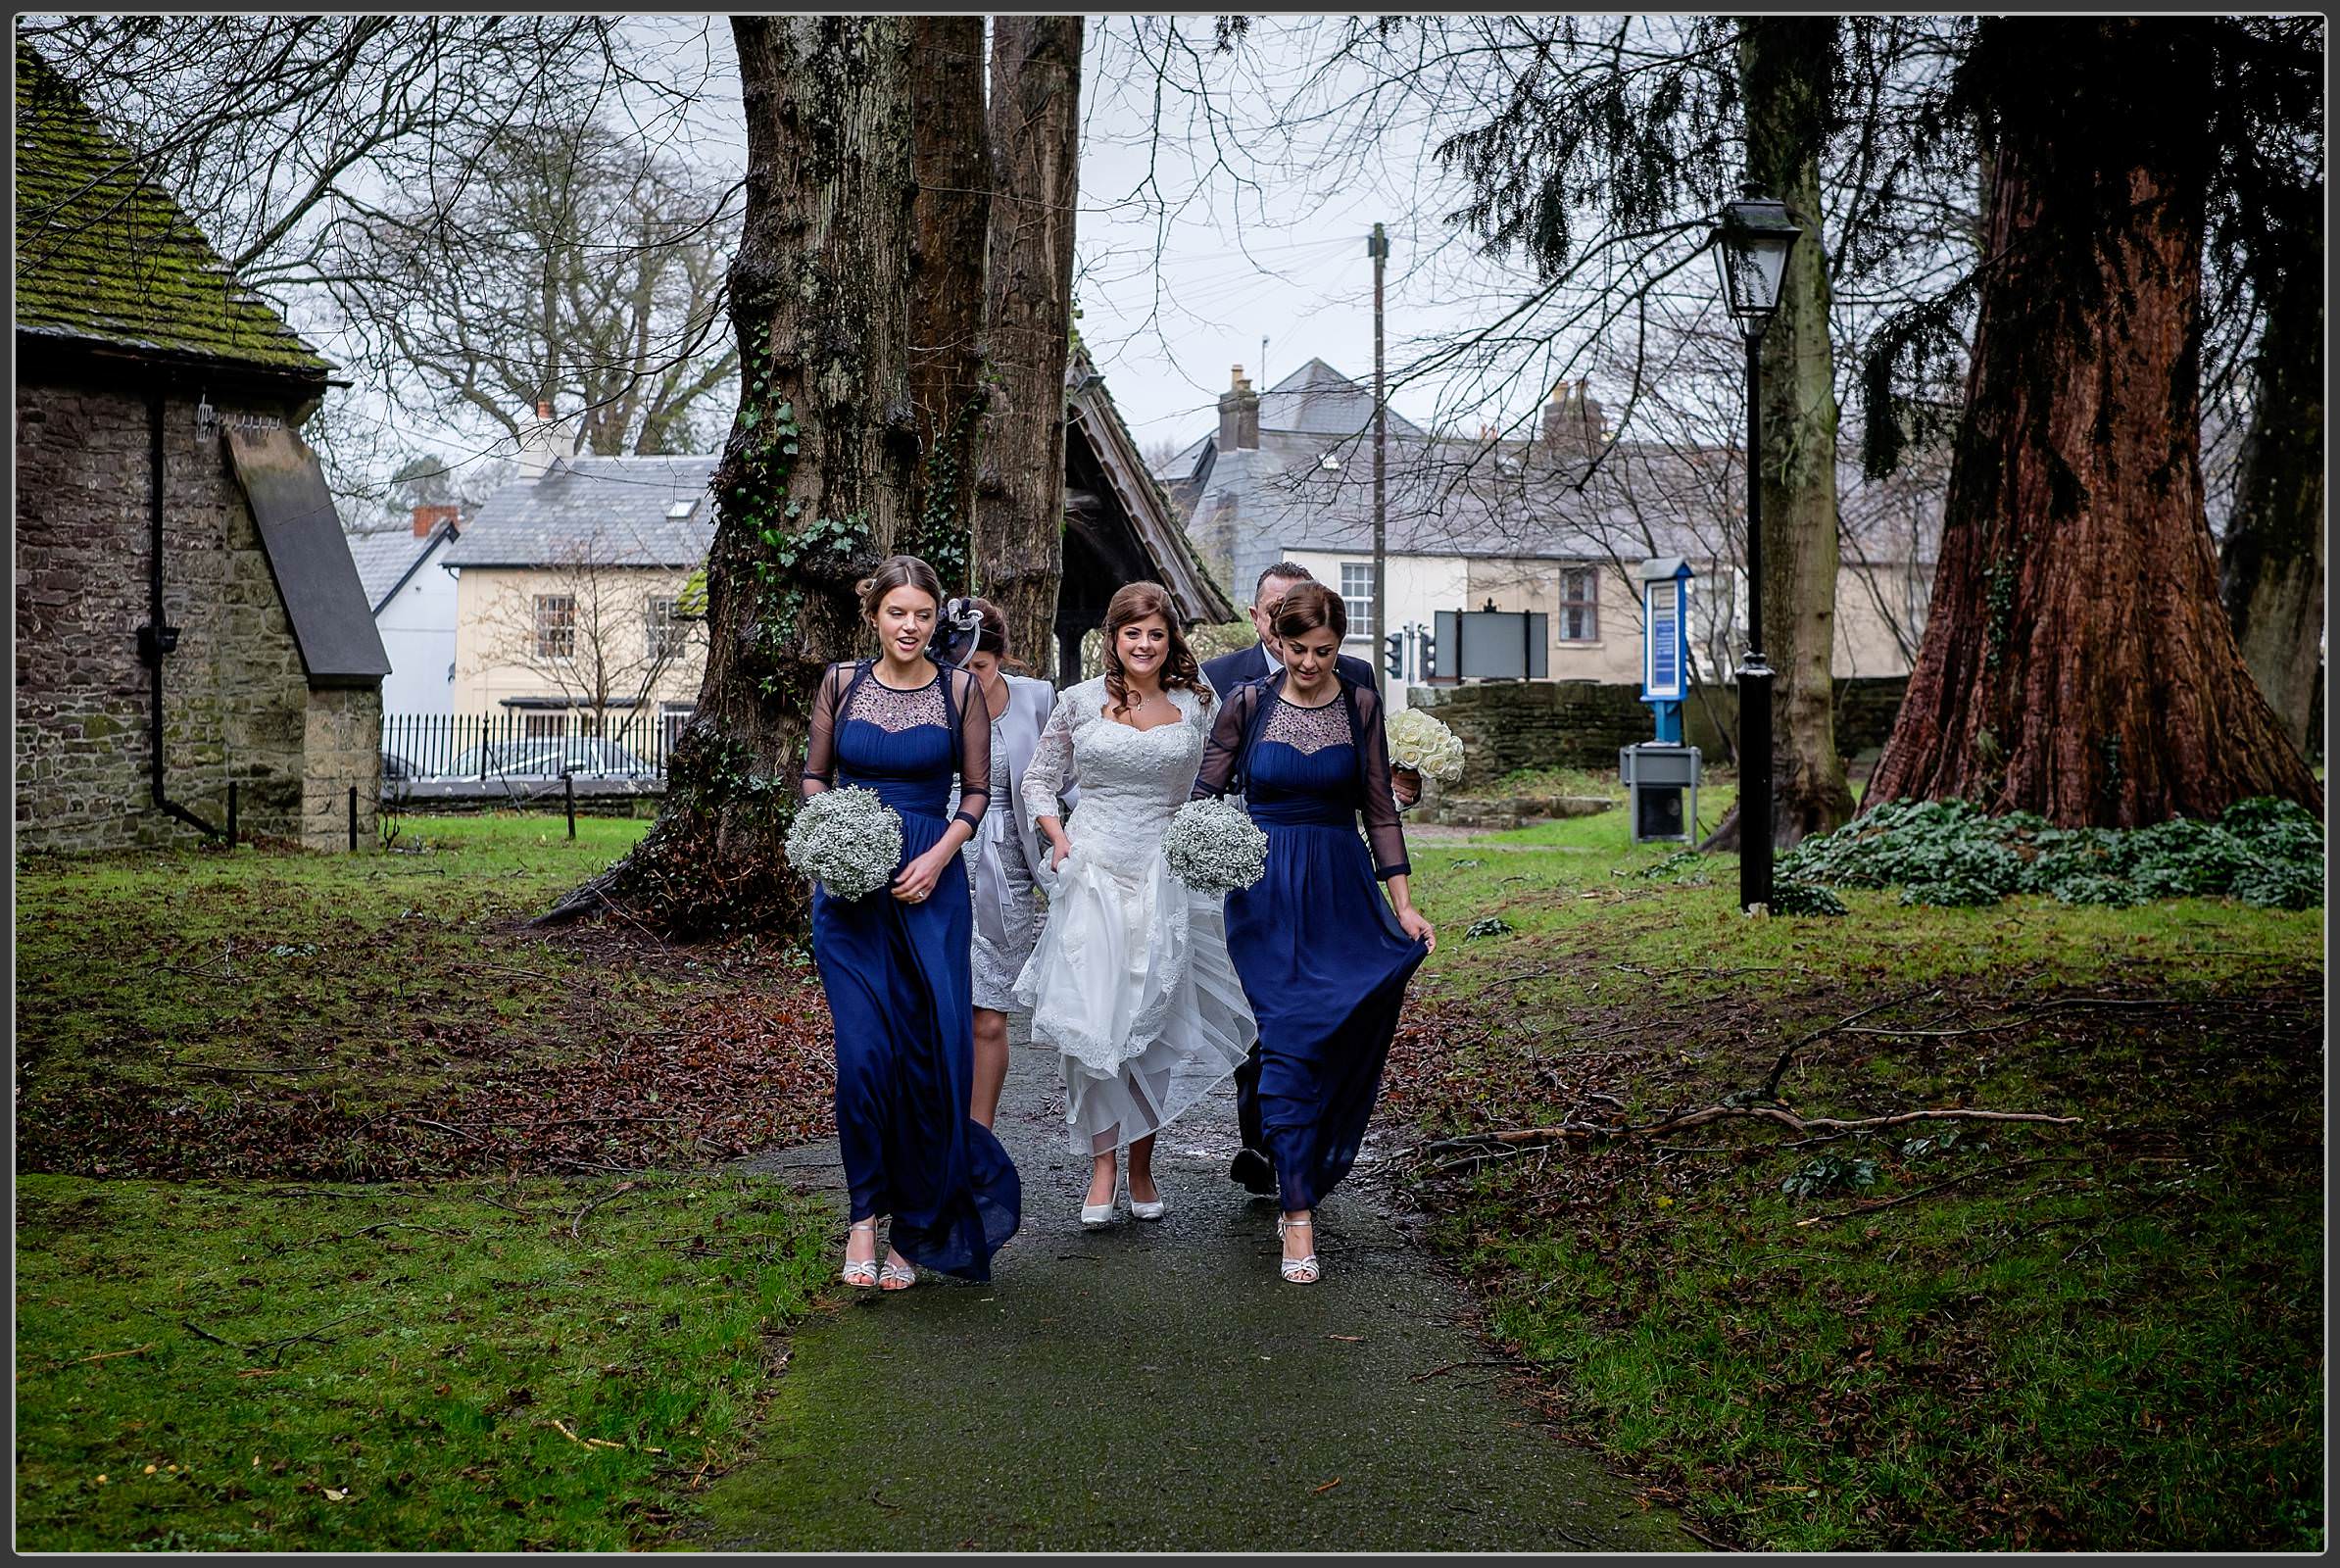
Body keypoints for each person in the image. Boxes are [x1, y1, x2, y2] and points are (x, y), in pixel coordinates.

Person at [1193, 580, 1435, 1284]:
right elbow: (1203, 803)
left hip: (1340, 888)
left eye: (1323, 650)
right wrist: (1217, 860)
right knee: (1289, 1040)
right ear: (1277, 639)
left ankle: (1311, 1160)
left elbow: (1379, 812)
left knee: (1332, 1031)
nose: (1308, 662)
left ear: (1340, 645)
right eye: (1297, 648)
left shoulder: (1360, 705)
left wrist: (1404, 905)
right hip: (1264, 897)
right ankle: (1296, 1212)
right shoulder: (1245, 704)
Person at [801, 555, 1020, 1290]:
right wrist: (829, 835)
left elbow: (980, 793)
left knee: (929, 1063)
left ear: (936, 622)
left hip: (931, 893)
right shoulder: (839, 683)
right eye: (897, 613)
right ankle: (864, 1215)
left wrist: (940, 856)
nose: (910, 626)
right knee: (865, 1059)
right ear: (874, 616)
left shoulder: (961, 692)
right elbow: (814, 777)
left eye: (923, 615)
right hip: (850, 902)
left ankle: (917, 1228)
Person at [1016, 582, 1258, 1228]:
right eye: (1132, 634)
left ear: (1169, 639)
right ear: (1112, 639)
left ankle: (1143, 1162)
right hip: (1092, 870)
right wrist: (1059, 840)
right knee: (1094, 1018)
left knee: (1152, 1020)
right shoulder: (1078, 702)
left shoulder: (1196, 702)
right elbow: (1037, 779)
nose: (1144, 645)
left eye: (1155, 634)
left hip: (1164, 870)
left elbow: (1216, 784)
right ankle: (1101, 1167)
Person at [943, 597, 1065, 1128]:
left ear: (1001, 658)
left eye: (980, 668)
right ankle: (938, 1127)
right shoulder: (928, 696)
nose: (968, 680)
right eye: (960, 668)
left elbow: (1067, 777)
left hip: (1007, 863)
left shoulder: (1037, 699)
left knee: (989, 1015)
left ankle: (980, 1136)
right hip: (939, 852)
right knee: (940, 1005)